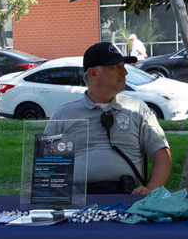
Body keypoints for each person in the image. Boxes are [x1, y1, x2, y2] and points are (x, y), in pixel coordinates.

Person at [52, 41, 172, 194]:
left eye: (123, 65)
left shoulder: (137, 108)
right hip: (78, 198)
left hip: (128, 196)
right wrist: (59, 190)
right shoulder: (64, 114)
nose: (125, 72)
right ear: (93, 73)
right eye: (115, 67)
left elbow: (162, 155)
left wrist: (150, 190)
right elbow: (46, 163)